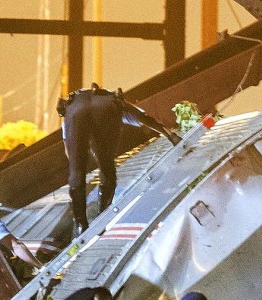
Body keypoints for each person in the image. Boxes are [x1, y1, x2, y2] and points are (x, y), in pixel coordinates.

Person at [59, 84, 180, 235]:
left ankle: (81, 224)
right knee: (107, 168)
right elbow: (145, 118)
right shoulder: (116, 104)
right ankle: (101, 218)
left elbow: (69, 152)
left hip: (78, 111)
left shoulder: (71, 112)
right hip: (106, 108)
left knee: (76, 173)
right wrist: (171, 136)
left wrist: (77, 166)